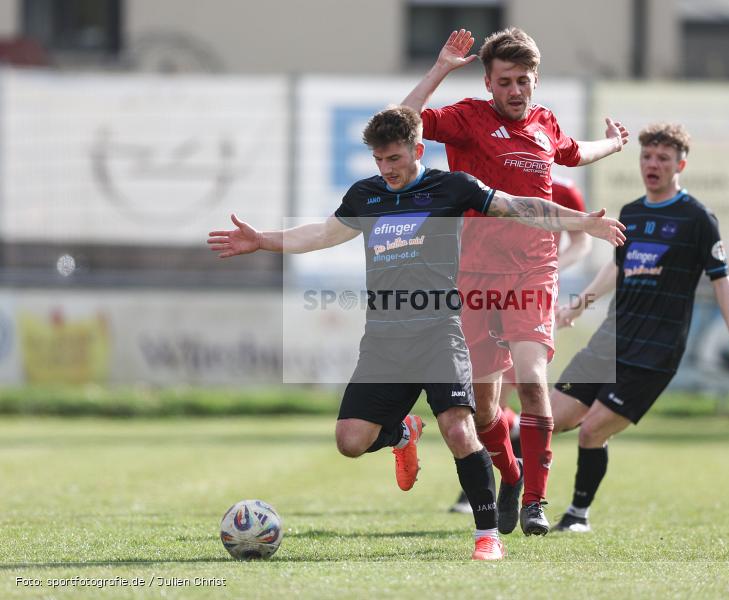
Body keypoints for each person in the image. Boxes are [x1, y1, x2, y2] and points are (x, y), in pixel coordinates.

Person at [206, 106, 625, 559]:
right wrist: (263, 239)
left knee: (459, 430)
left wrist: (583, 222)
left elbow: (519, 207)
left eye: (394, 159)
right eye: (379, 160)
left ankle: (488, 537)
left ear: (417, 150)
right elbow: (324, 233)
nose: (386, 170)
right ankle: (403, 433)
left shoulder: (451, 187)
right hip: (384, 341)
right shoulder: (365, 196)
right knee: (350, 442)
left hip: (439, 334)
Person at [402, 28, 629, 535]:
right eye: (505, 81)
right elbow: (404, 124)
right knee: (485, 413)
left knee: (530, 379)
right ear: (488, 82)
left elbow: (573, 152)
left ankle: (536, 502)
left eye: (523, 80)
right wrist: (440, 67)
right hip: (476, 276)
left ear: (535, 80)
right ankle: (510, 474)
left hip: (533, 270)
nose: (515, 90)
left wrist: (612, 144)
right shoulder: (466, 117)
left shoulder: (544, 123)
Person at [549, 123, 729, 533]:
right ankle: (510, 493)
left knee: (591, 430)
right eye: (647, 156)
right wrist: (579, 304)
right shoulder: (631, 213)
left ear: (680, 164)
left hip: (655, 351)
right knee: (547, 420)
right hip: (609, 341)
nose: (653, 164)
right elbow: (616, 268)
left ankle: (577, 515)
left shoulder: (698, 219)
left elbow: (722, 280)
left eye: (663, 158)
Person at [448, 175, 590, 514]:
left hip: (532, 296)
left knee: (526, 384)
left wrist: (551, 269)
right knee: (486, 404)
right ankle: (500, 468)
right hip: (484, 295)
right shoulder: (487, 185)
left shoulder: (564, 188)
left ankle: (517, 494)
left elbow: (580, 243)